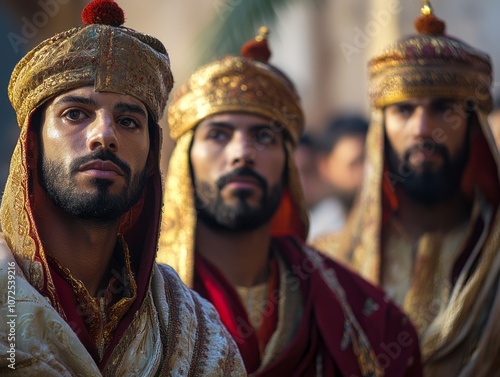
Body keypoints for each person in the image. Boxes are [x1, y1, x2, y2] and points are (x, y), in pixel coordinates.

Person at [158, 26, 422, 376]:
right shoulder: (143, 301)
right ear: (184, 161)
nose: (242, 153)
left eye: (263, 136)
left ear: (289, 165)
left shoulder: (359, 312)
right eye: (218, 135)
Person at [0, 1, 245, 375]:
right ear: (32, 145)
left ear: (150, 158)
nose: (104, 136)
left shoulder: (197, 332)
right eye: (75, 114)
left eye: (128, 121)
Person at [315, 2, 500, 376]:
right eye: (403, 111)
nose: (421, 129)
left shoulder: (493, 258)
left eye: (442, 108)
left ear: (473, 127)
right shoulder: (328, 264)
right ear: (380, 131)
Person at [309, 113, 368, 240]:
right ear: (325, 166)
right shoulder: (317, 234)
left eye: (372, 162)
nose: (367, 173)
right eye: (355, 163)